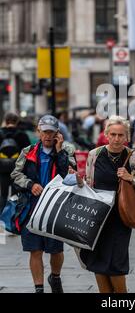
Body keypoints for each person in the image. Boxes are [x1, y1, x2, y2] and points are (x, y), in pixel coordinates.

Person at [76, 116, 135, 293]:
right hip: (97, 218)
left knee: (116, 263)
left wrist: (130, 178)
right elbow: (88, 185)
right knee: (97, 262)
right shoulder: (94, 155)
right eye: (113, 134)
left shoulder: (134, 157)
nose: (117, 138)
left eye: (120, 135)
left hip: (121, 217)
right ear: (106, 135)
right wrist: (78, 181)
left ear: (126, 136)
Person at [11, 115, 76, 293]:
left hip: (55, 209)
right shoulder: (28, 151)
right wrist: (31, 185)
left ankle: (55, 277)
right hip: (31, 207)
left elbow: (70, 177)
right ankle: (38, 288)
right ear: (38, 132)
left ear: (57, 134)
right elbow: (16, 175)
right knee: (35, 250)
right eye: (44, 131)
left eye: (51, 132)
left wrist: (59, 151)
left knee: (56, 250)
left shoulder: (67, 150)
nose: (48, 136)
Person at [0, 112, 31, 213]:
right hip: (18, 169)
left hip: (2, 167)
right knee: (16, 194)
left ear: (6, 121)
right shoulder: (22, 134)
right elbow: (28, 152)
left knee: (3, 194)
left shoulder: (0, 133)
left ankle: (1, 216)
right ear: (17, 121)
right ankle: (13, 215)